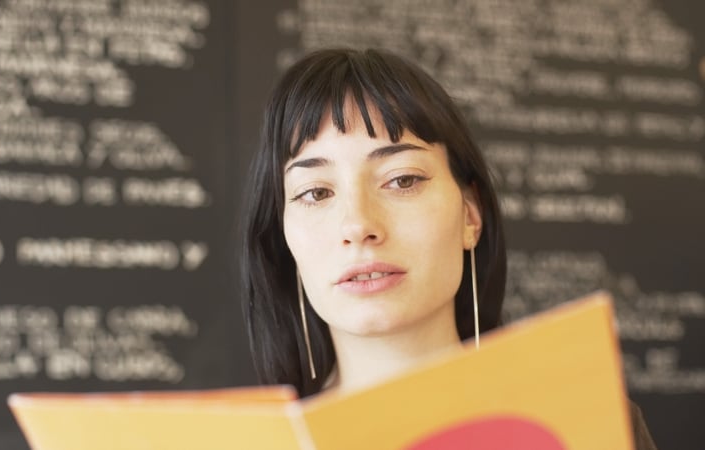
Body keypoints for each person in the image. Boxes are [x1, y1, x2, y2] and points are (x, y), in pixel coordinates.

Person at [238, 47, 656, 449]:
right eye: (315, 192)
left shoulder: (586, 426)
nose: (358, 225)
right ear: (283, 238)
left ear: (470, 215)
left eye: (402, 180)